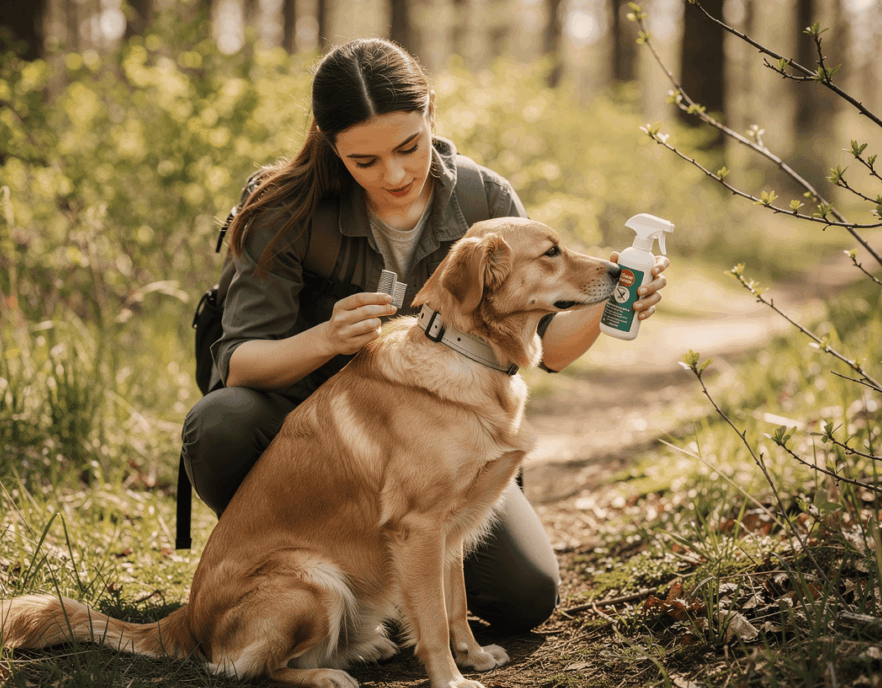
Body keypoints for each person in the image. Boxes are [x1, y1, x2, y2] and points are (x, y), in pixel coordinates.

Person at [181, 37, 669, 634]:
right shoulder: (285, 208)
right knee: (219, 424)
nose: (394, 174)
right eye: (364, 161)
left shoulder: (483, 197)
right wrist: (328, 339)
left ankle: (375, 597)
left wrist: (613, 297)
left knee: (526, 596)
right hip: (315, 439)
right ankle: (283, 576)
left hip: (443, 447)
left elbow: (552, 348)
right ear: (331, 144)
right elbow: (239, 364)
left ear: (430, 112)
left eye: (408, 147)